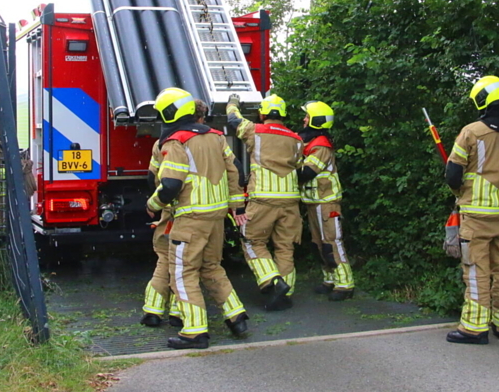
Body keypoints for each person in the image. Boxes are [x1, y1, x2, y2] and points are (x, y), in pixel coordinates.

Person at [147, 88, 250, 349]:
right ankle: (236, 316)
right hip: (216, 219)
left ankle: (194, 331)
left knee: (182, 274)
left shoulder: (176, 141)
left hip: (190, 219)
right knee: (212, 268)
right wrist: (236, 207)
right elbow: (235, 171)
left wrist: (152, 204)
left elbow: (170, 184)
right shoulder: (216, 137)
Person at [444, 76, 499, 345]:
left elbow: (453, 174)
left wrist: (460, 193)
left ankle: (474, 328)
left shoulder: (471, 131)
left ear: (483, 100)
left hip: (477, 215)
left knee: (475, 269)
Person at [226, 93, 304, 311]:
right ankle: (285, 295)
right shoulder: (297, 139)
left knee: (252, 241)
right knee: (285, 247)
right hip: (290, 201)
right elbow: (299, 165)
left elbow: (233, 120)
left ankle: (272, 281)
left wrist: (233, 102)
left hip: (263, 199)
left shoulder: (255, 131)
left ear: (262, 113)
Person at [139, 99, 210, 328]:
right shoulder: (196, 141)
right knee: (186, 265)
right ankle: (178, 313)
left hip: (168, 209)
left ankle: (153, 309)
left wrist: (158, 203)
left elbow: (152, 177)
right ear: (199, 118)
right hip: (189, 210)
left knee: (164, 258)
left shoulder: (162, 143)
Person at [298, 101, 354, 301]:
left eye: (307, 116)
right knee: (317, 244)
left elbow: (306, 173)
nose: (304, 120)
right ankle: (329, 279)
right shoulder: (310, 142)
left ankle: (345, 284)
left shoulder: (320, 145)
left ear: (316, 120)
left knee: (331, 243)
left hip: (327, 202)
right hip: (314, 202)